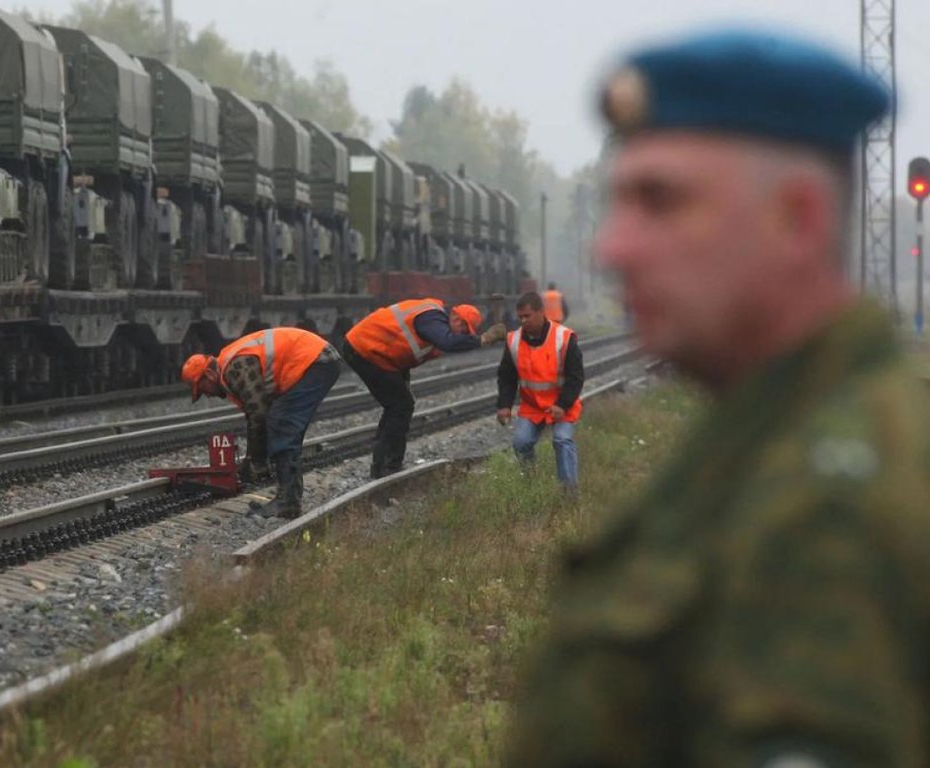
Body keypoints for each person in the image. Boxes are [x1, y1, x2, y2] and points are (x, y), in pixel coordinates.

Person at [504, 29, 930, 767]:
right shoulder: (769, 438)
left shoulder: (831, 516)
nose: (614, 248)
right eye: (619, 201)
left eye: (660, 201)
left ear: (796, 219)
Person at [181, 326, 340, 518]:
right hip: (316, 359)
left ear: (209, 374)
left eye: (202, 388)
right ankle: (288, 498)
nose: (206, 394)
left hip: (314, 360)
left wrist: (257, 460)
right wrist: (252, 459)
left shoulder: (234, 368)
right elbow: (255, 414)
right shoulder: (230, 365)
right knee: (281, 422)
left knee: (282, 424)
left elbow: (259, 412)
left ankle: (287, 502)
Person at [342, 299, 506, 478]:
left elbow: (408, 347)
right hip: (366, 349)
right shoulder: (431, 318)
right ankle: (388, 468)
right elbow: (448, 343)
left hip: (381, 355)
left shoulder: (436, 323)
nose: (464, 335)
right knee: (400, 406)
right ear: (456, 318)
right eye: (464, 330)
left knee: (399, 406)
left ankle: (382, 466)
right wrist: (483, 339)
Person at [495, 292, 584, 489]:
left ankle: (569, 493)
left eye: (528, 316)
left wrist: (563, 404)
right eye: (521, 317)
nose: (523, 320)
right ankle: (532, 484)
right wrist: (504, 406)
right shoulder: (514, 341)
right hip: (533, 406)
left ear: (541, 313)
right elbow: (507, 377)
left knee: (562, 440)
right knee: (521, 443)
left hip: (562, 405)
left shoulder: (564, 338)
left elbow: (576, 377)